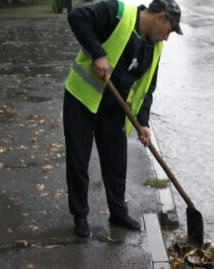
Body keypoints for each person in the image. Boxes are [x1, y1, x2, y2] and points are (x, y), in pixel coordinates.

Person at [63, 0, 183, 237]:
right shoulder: (117, 13)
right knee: (79, 162)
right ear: (159, 17)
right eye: (168, 30)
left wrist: (144, 122)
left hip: (114, 108)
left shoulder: (155, 46)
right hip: (83, 99)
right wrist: (98, 53)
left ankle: (118, 212)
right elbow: (76, 18)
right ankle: (80, 216)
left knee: (116, 162)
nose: (167, 38)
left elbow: (148, 87)